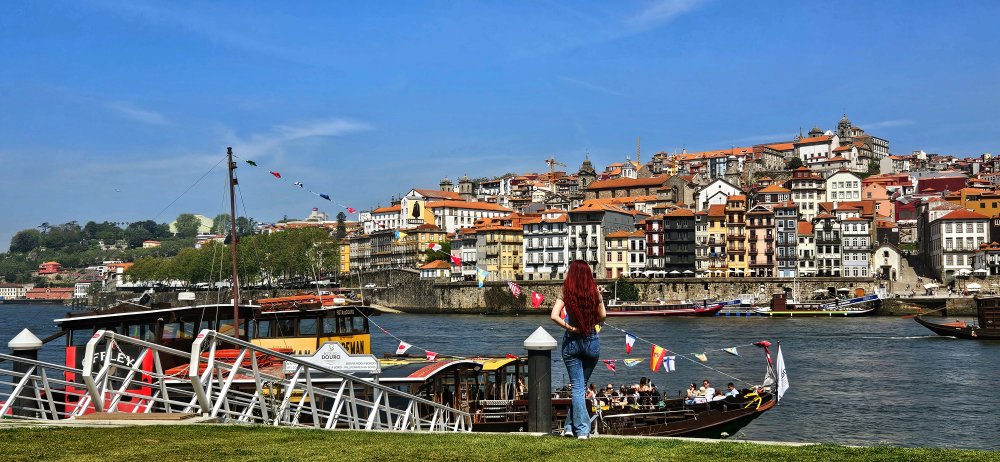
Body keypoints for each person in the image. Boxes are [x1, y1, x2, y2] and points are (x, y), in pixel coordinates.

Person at [551, 260, 607, 439]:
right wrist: (591, 323)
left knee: (577, 387)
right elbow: (603, 316)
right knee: (580, 387)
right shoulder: (594, 292)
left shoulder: (566, 292)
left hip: (572, 343)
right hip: (591, 342)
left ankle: (573, 428)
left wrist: (571, 328)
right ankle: (578, 429)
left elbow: (553, 315)